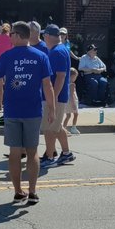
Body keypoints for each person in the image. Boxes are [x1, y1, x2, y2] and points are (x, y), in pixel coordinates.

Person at [0, 20, 56, 206]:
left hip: (12, 110)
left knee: (14, 152)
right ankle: (33, 191)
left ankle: (19, 191)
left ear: (18, 36)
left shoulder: (7, 56)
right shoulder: (41, 56)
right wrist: (51, 109)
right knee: (32, 150)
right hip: (33, 110)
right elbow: (47, 85)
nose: (9, 37)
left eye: (11, 34)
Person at [38, 23, 74, 168]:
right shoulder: (61, 49)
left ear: (47, 36)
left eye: (43, 36)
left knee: (49, 128)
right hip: (58, 96)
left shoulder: (57, 52)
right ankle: (66, 153)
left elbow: (60, 77)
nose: (43, 38)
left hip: (55, 97)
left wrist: (53, 98)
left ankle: (50, 157)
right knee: (57, 126)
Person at [63, 68, 80, 134]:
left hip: (67, 101)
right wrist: (74, 105)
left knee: (68, 115)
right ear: (72, 76)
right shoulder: (72, 85)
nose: (75, 79)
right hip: (72, 101)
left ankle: (64, 128)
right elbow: (72, 95)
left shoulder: (65, 83)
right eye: (75, 77)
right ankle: (73, 127)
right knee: (76, 114)